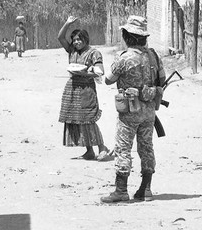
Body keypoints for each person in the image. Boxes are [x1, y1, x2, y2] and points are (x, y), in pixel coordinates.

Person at [100, 15, 166, 203]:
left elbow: (108, 79)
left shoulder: (124, 58)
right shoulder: (153, 56)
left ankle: (121, 190)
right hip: (149, 111)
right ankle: (146, 190)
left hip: (129, 111)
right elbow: (161, 79)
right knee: (146, 147)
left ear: (127, 36)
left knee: (123, 148)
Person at [57, 16, 110, 161]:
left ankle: (102, 147)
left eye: (79, 39)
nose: (76, 42)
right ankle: (89, 151)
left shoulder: (94, 53)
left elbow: (100, 71)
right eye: (74, 40)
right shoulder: (72, 51)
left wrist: (85, 72)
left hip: (86, 89)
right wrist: (68, 23)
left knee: (88, 119)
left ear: (86, 40)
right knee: (76, 119)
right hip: (72, 88)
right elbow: (60, 37)